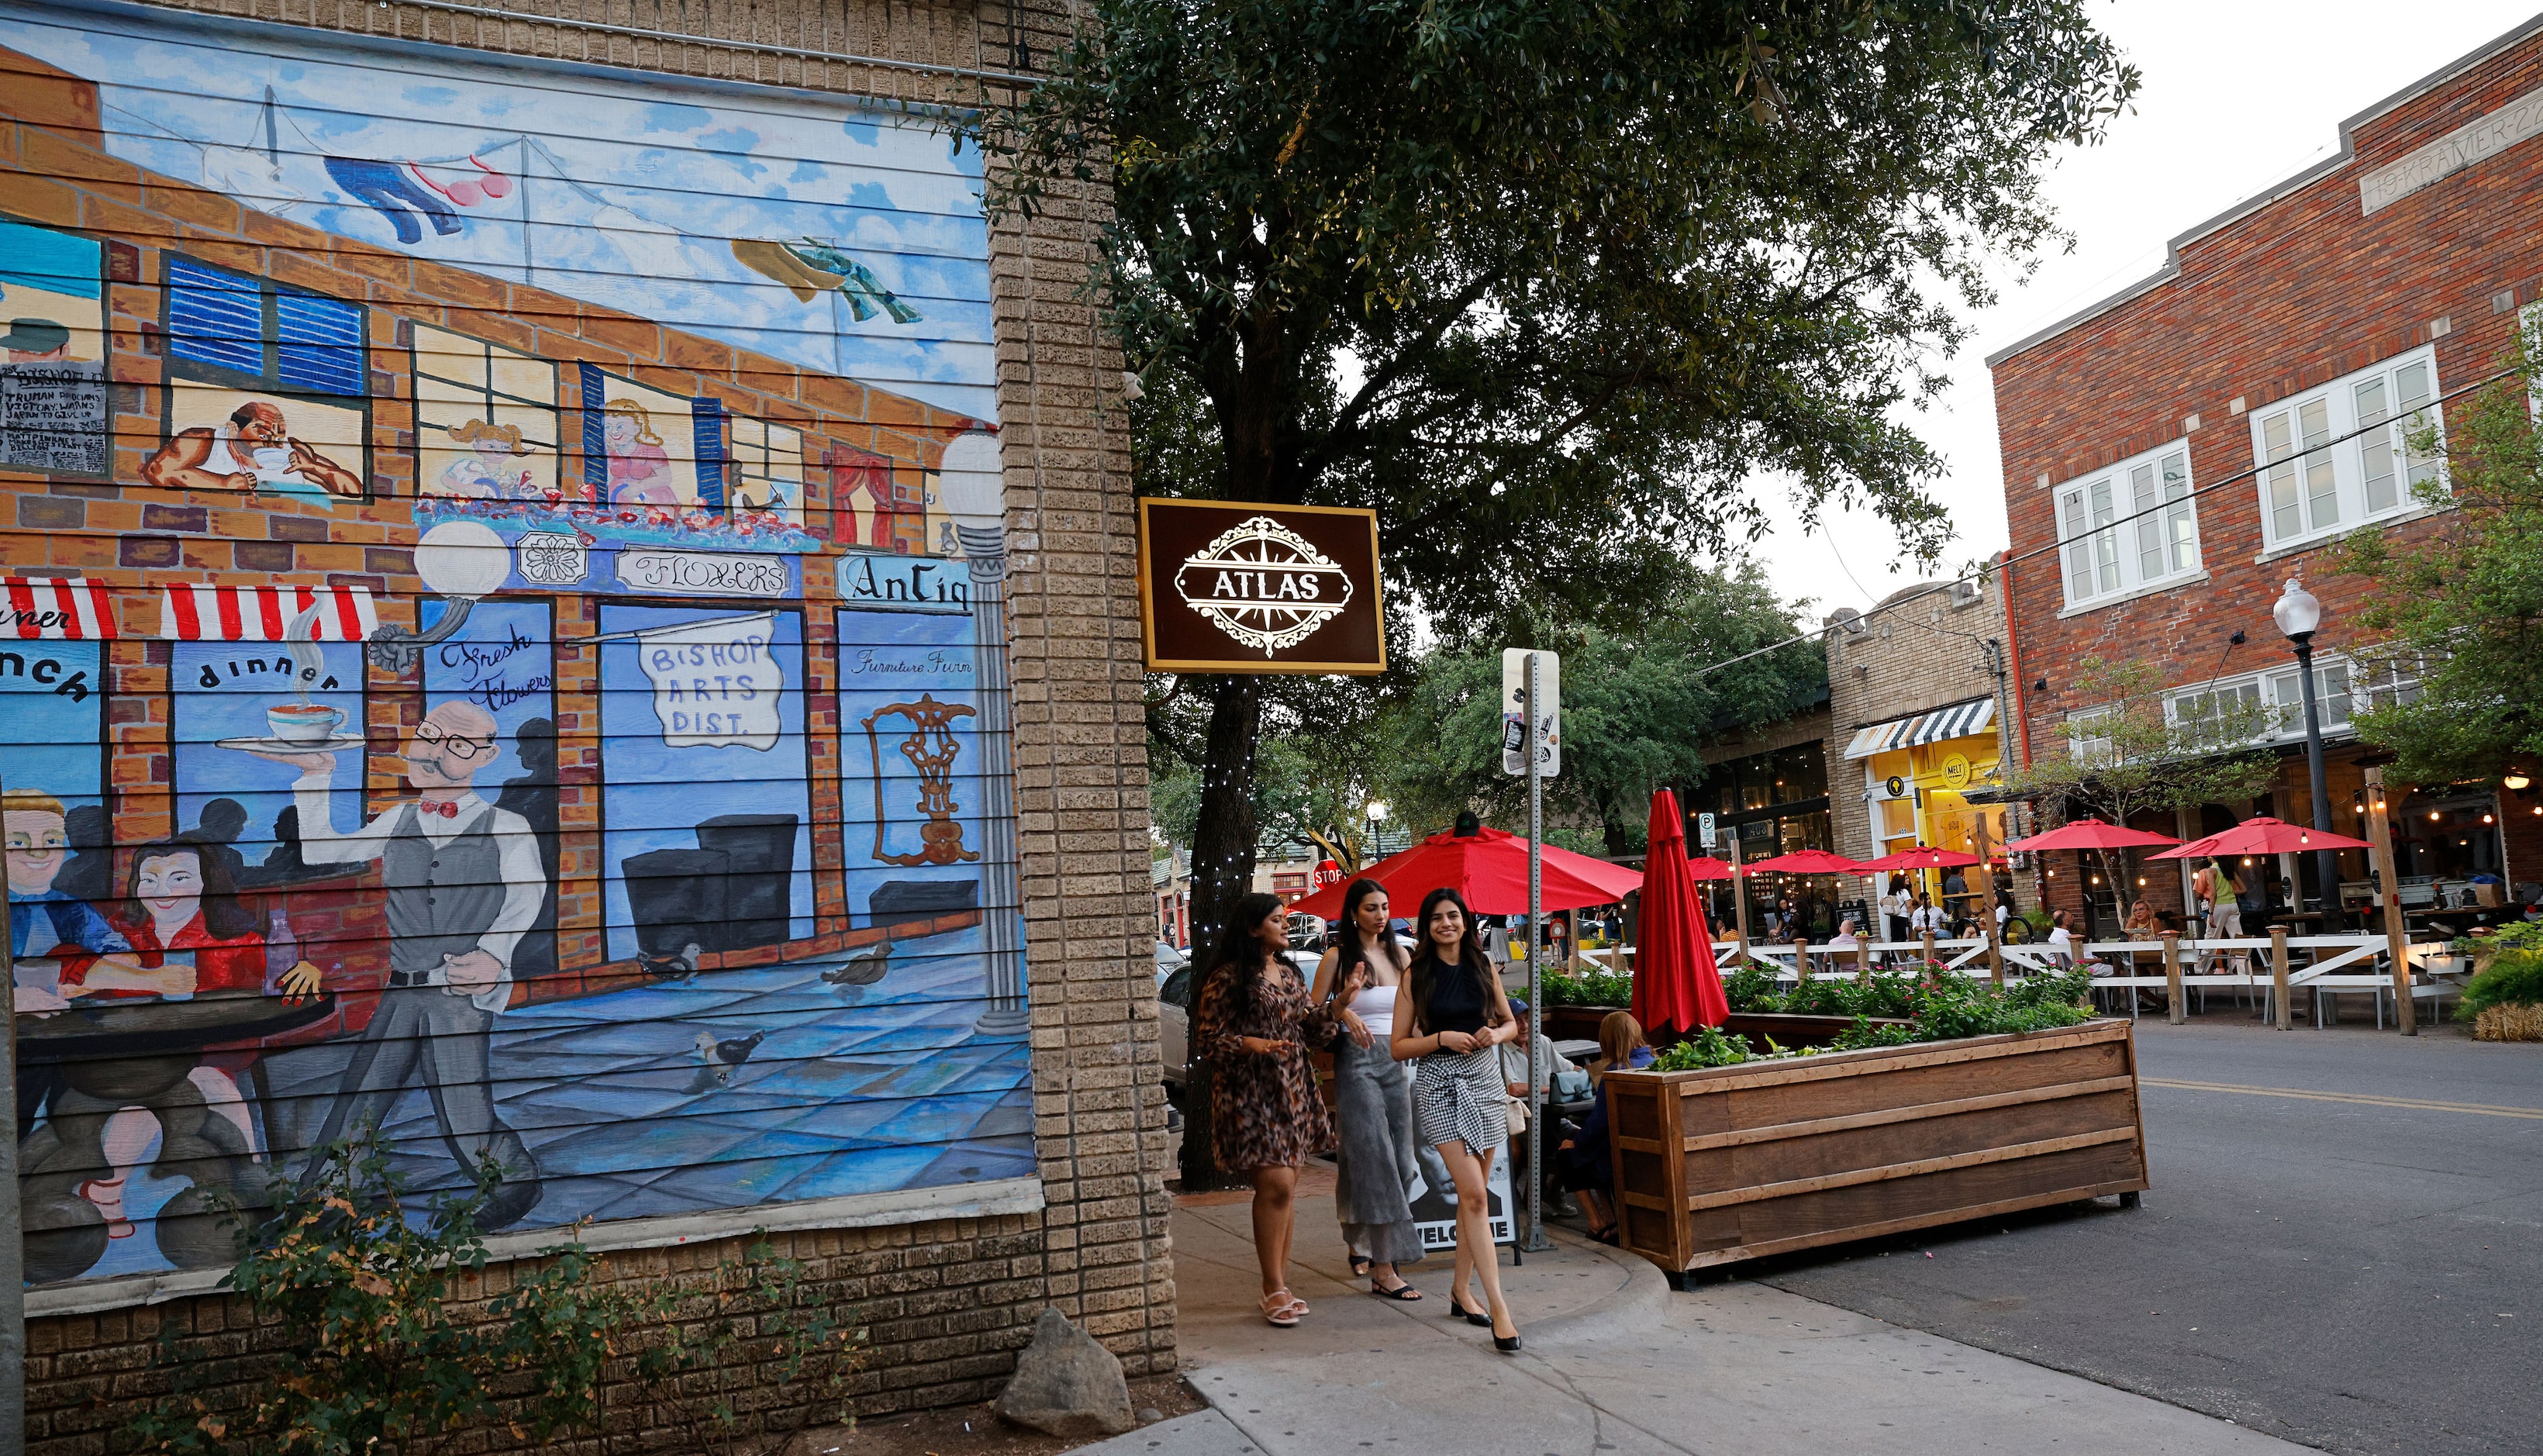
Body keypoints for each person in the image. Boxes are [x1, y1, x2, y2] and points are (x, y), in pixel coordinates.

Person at [254, 701, 547, 1227]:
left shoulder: (507, 826)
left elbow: (528, 895)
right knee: (362, 1096)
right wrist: (316, 778)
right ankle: (332, 1201)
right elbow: (322, 852)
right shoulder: (400, 818)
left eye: (456, 745)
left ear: (487, 756)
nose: (434, 753)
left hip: (457, 992)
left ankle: (515, 1184)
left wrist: (495, 954)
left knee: (463, 1109)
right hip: (403, 985)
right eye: (430, 735)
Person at [1392, 886, 1523, 1353]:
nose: (1446, 924)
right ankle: (1500, 1311)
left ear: (1465, 921)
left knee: (1475, 1203)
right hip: (1440, 1087)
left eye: (1453, 916)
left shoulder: (1483, 967)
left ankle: (1460, 1290)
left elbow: (1512, 1024)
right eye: (1436, 919)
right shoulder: (1417, 975)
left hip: (1486, 1082)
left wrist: (1495, 1032)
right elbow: (1398, 1046)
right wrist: (1442, 1037)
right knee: (1473, 1197)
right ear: (1426, 927)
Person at [1197, 892, 1337, 1327]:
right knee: (1275, 1185)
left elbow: (1313, 1028)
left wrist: (1342, 1005)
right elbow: (1205, 1039)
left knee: (1286, 1190)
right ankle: (1273, 1287)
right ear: (1255, 927)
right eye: (1278, 918)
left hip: (1292, 1088)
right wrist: (1247, 1043)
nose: (1286, 924)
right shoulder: (1226, 978)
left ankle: (1279, 1283)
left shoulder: (1290, 973)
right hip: (1250, 1092)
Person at [1309, 878, 1423, 1301]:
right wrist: (1343, 1010)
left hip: (1398, 1062)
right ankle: (1384, 1266)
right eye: (1371, 908)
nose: (1380, 915)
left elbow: (1418, 1011)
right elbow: (1311, 1017)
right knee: (1374, 1162)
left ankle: (1358, 1236)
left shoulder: (1402, 954)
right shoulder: (1337, 957)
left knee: (1403, 1165)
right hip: (1356, 1064)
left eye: (1385, 907)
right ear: (1354, 913)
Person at [1558, 1011, 1655, 1244]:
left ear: (1608, 1040)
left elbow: (1600, 1123)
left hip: (1618, 1154)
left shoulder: (1615, 1072)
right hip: (1645, 1149)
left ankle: (1597, 1222)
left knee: (1566, 1154)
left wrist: (1577, 1142)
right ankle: (1610, 1219)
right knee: (1583, 1149)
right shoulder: (1654, 1063)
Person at [140, 399, 364, 499]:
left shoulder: (294, 450)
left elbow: (355, 490)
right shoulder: (205, 440)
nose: (273, 442)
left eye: (279, 435)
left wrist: (313, 467)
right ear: (234, 428)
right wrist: (222, 483)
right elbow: (156, 471)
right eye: (263, 432)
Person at [1882, 875, 1911, 944]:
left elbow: (1881, 902)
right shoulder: (1904, 891)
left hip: (1893, 917)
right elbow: (1909, 905)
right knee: (1904, 938)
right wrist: (1912, 914)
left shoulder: (1889, 891)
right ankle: (1905, 954)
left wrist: (1889, 909)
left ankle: (1896, 955)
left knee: (1895, 938)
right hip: (1903, 917)